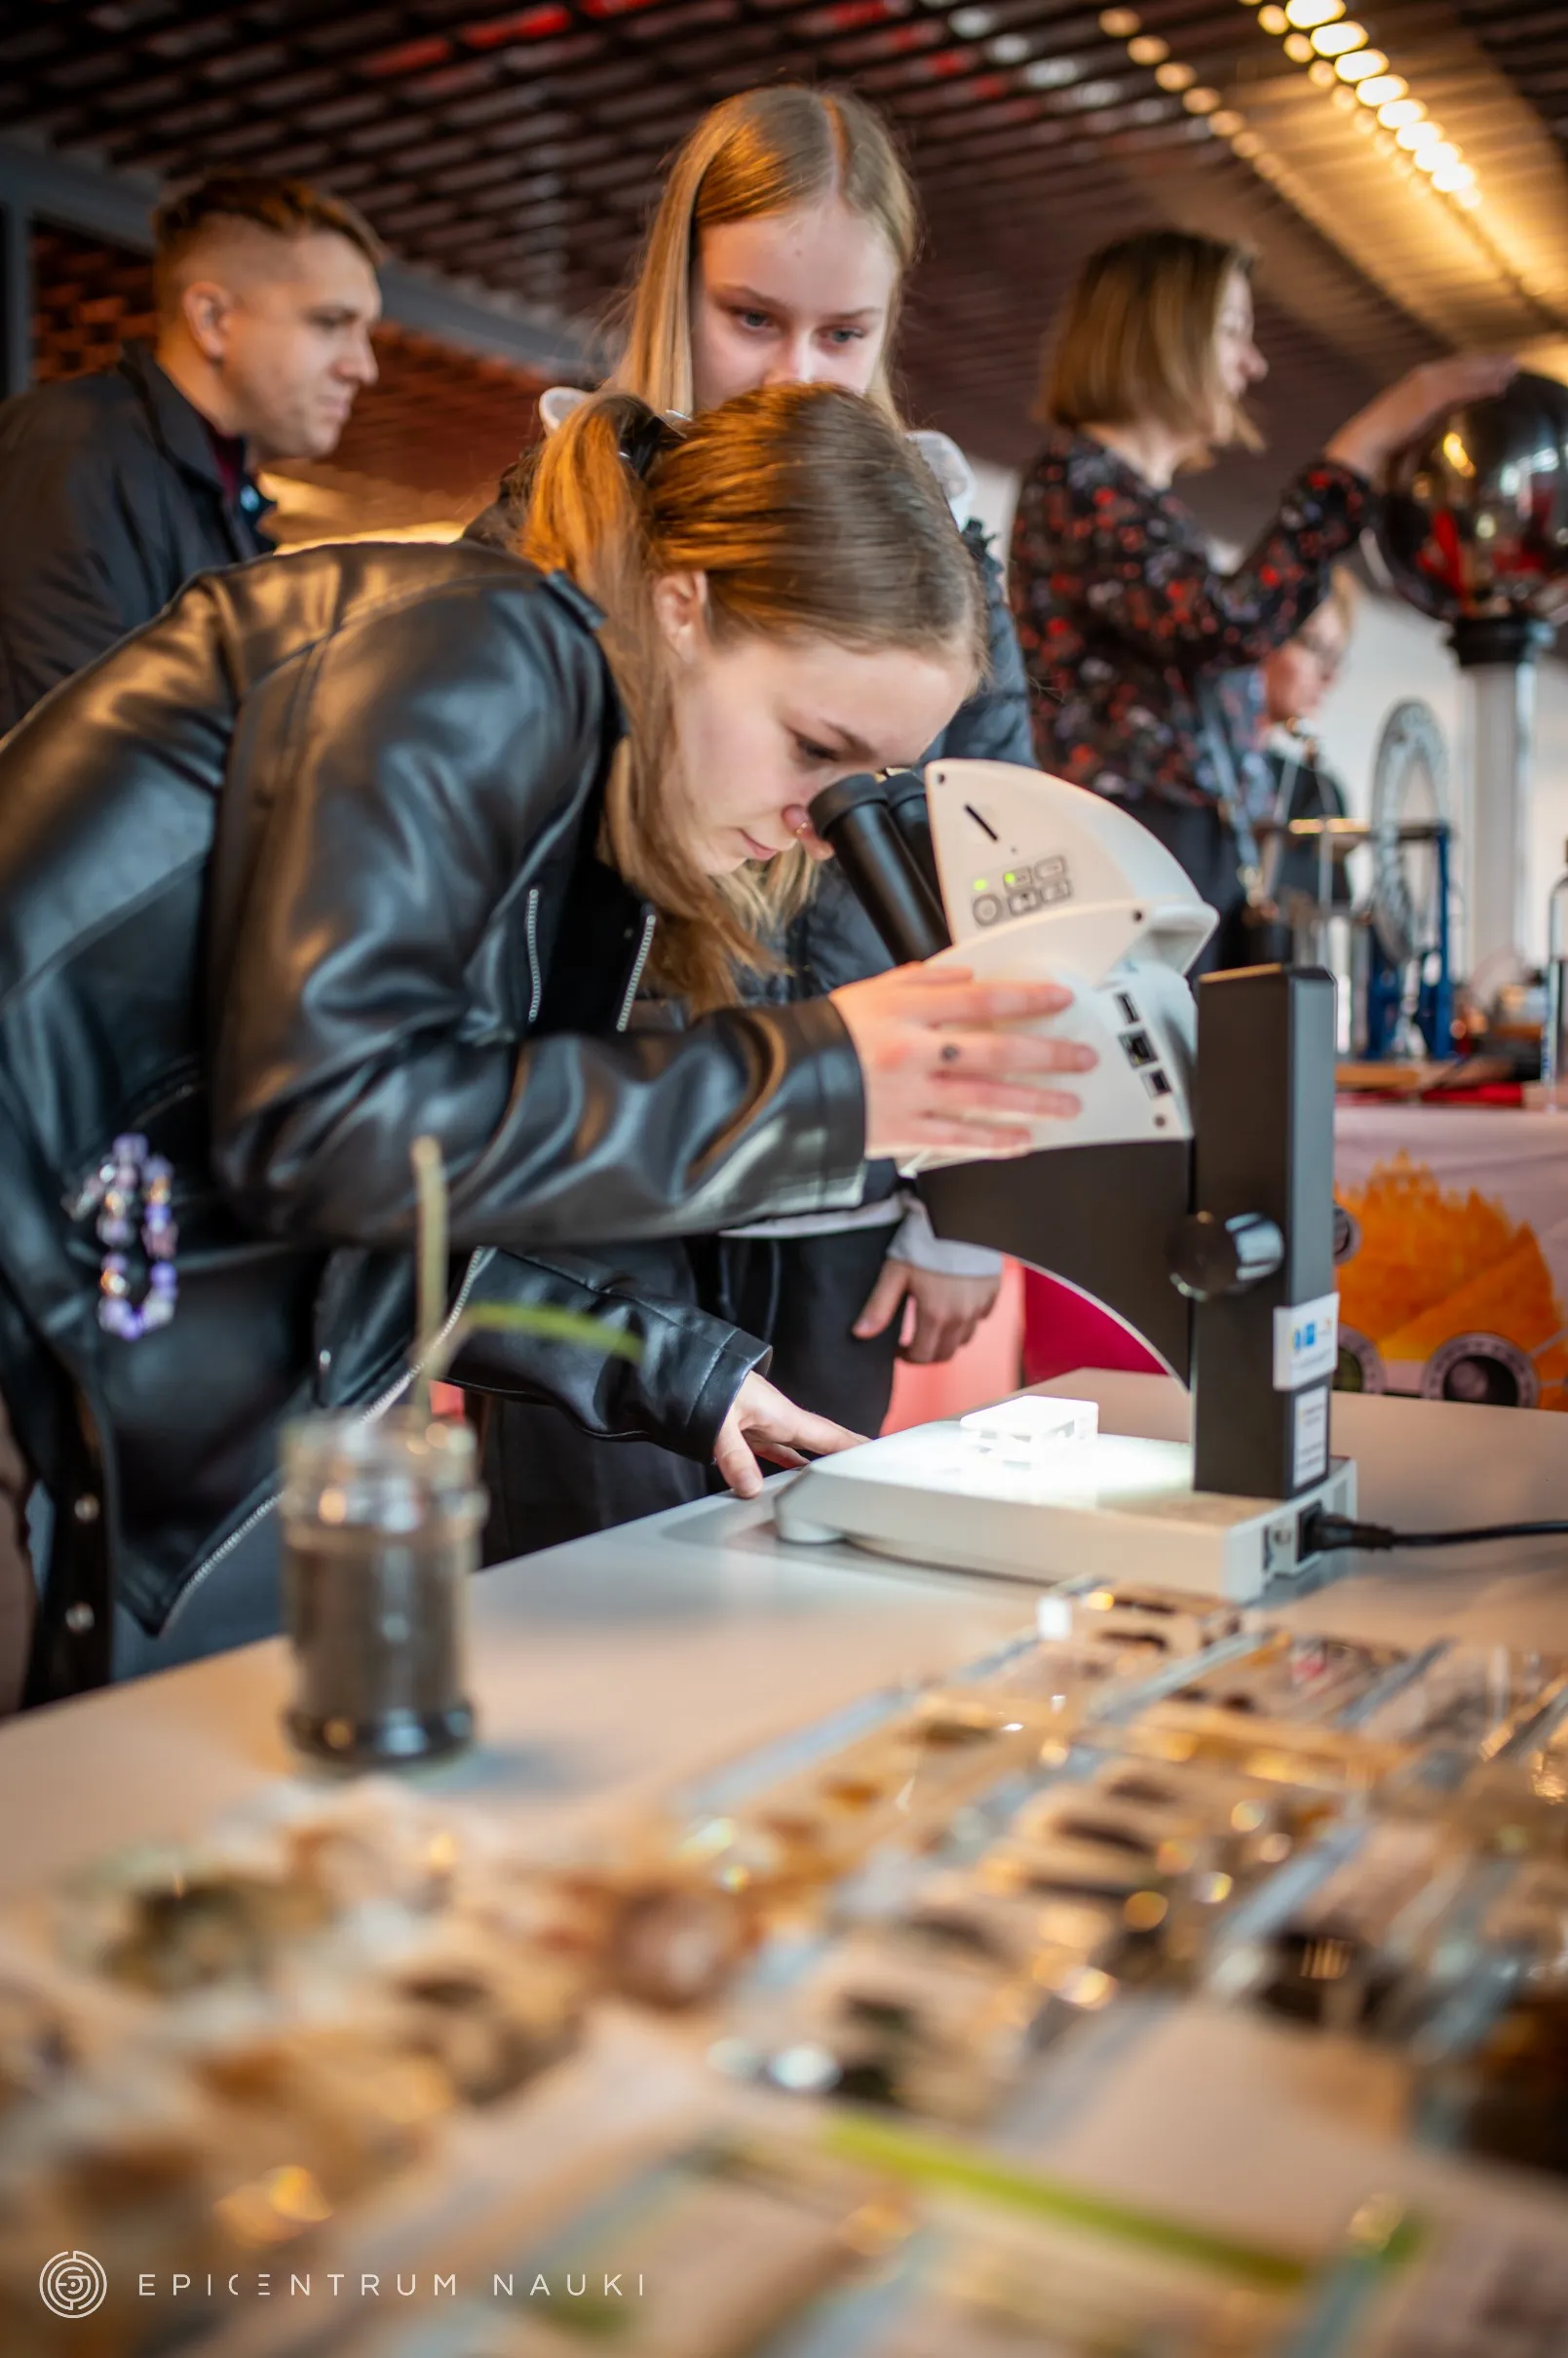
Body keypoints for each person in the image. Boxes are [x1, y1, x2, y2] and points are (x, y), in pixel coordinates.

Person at [0, 381, 1092, 1710]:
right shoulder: (480, 649)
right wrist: (816, 1074)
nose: (820, 825)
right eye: (814, 746)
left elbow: (411, 1192)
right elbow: (328, 1135)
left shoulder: (556, 751)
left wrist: (680, 1373)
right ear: (683, 607)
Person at [472, 85, 1031, 1558]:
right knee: (589, 1589)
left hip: (834, 1187)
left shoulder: (936, 557)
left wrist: (970, 1205)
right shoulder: (547, 529)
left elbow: (1001, 895)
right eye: (752, 320)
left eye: (844, 335)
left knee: (824, 1569)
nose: (797, 375)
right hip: (586, 1188)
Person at [1010, 227, 1511, 973]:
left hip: (1176, 848)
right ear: (1165, 334)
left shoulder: (1130, 500)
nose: (1253, 362)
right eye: (1231, 330)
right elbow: (1226, 622)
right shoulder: (1077, 483)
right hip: (1140, 847)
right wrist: (1367, 442)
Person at [0, 173, 382, 735]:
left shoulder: (217, 495)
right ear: (212, 320)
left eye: (365, 331)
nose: (363, 368)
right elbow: (66, 753)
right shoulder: (69, 451)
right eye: (330, 323)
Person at [1255, 571, 1358, 955]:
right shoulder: (1194, 783)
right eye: (1316, 648)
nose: (1329, 677)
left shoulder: (1317, 793)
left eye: (1336, 657)